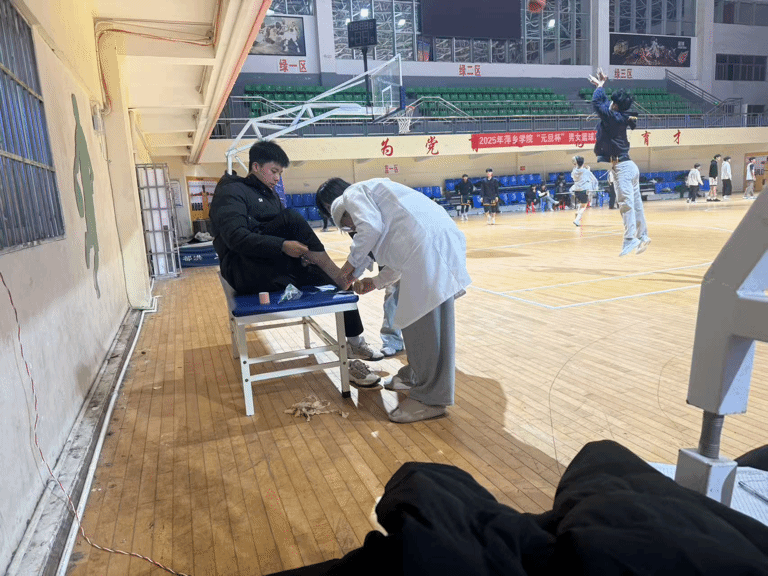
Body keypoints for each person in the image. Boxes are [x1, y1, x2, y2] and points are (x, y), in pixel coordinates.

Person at [208, 141, 384, 388]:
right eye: (274, 171)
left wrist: (295, 252)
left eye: (280, 173)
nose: (277, 178)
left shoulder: (270, 196)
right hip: (244, 271)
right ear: (256, 167)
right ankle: (338, 274)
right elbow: (236, 238)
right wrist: (282, 245)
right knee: (292, 218)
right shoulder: (231, 192)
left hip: (272, 266)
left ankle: (354, 345)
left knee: (340, 288)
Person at [316, 177, 471, 423]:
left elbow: (370, 229)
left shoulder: (352, 195)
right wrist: (375, 282)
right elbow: (397, 258)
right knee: (413, 323)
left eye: (347, 225)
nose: (351, 230)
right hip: (427, 248)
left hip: (428, 251)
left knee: (427, 329)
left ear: (340, 210)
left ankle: (431, 399)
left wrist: (347, 269)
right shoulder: (380, 203)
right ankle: (415, 374)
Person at [589, 67, 650, 256]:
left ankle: (630, 239)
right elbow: (605, 104)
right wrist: (601, 84)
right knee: (636, 204)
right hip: (629, 166)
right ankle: (643, 235)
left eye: (613, 102)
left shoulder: (612, 117)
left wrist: (601, 86)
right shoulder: (619, 116)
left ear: (616, 106)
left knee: (625, 204)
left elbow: (597, 103)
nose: (611, 104)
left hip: (622, 168)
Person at [570, 155, 598, 227]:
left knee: (581, 203)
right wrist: (588, 170)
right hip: (583, 190)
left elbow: (576, 173)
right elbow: (593, 179)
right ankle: (577, 220)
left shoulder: (574, 171)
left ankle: (577, 212)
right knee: (584, 206)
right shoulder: (586, 171)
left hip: (576, 190)